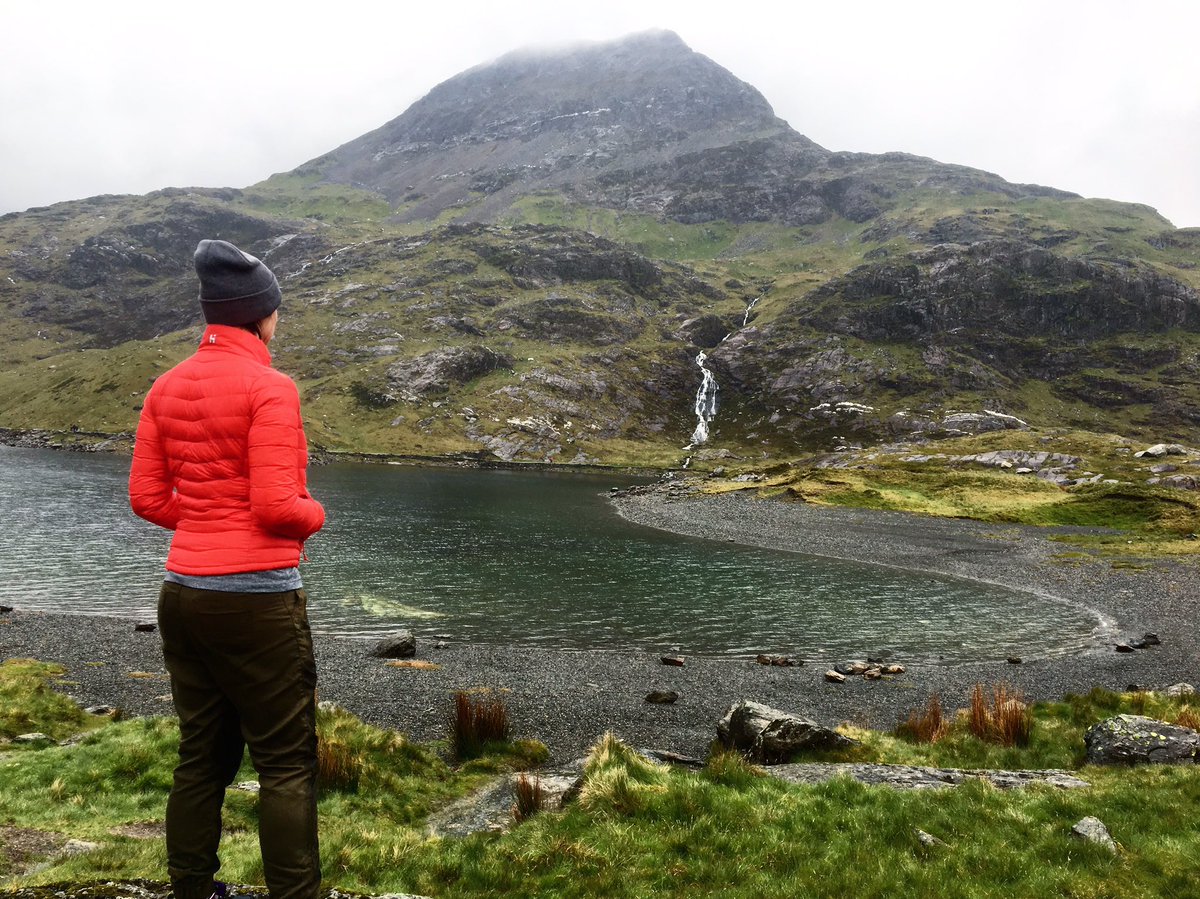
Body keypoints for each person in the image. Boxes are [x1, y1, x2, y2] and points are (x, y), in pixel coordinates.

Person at [129, 239, 326, 899]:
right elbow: (277, 507)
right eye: (276, 309)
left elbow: (147, 498)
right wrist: (317, 513)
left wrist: (206, 523)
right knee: (286, 763)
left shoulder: (166, 386)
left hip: (182, 593)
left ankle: (192, 888)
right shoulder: (270, 388)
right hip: (257, 601)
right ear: (260, 315)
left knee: (202, 754)